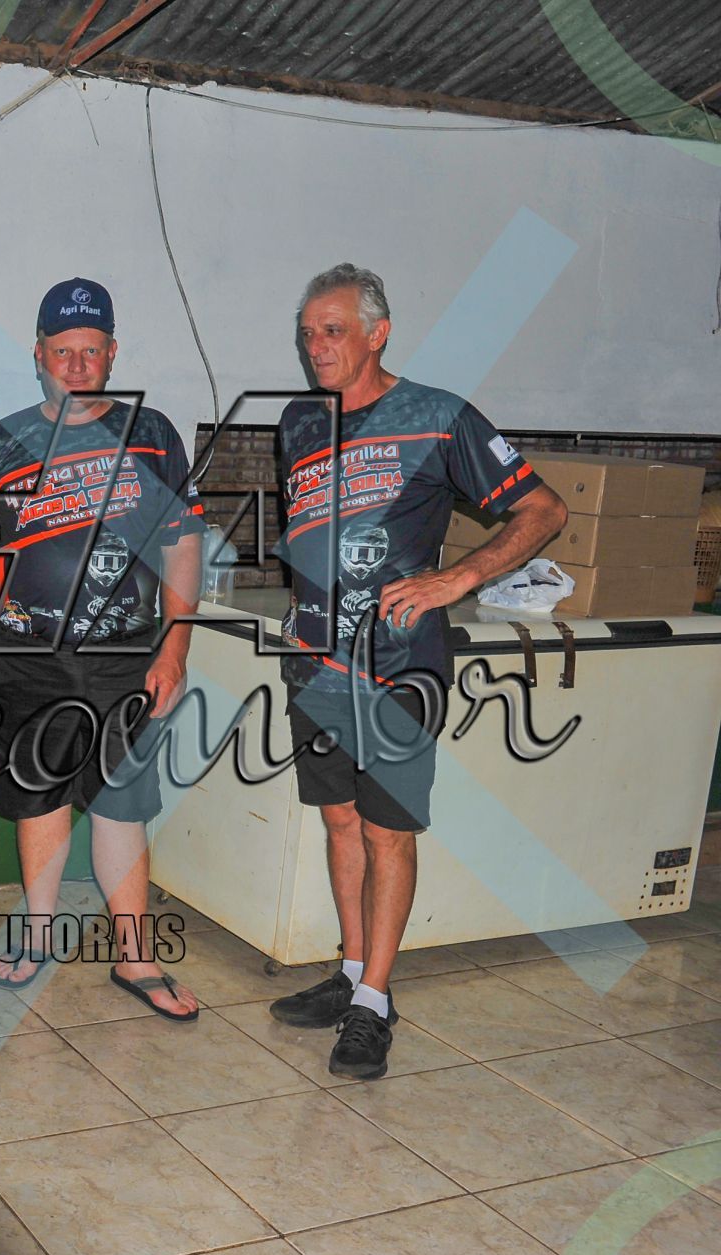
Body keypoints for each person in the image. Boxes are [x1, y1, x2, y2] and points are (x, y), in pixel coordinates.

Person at [269, 263, 566, 1079]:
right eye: (307, 332)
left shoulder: (439, 416)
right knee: (338, 821)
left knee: (386, 832)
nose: (316, 346)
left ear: (378, 332)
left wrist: (458, 577)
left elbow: (544, 508)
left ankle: (374, 1005)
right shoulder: (298, 422)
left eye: (332, 330)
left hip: (399, 668)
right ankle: (352, 972)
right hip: (315, 664)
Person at [0, 279, 204, 1019]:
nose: (76, 365)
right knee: (39, 799)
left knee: (120, 805)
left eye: (91, 351)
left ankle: (135, 957)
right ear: (39, 353)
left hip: (125, 656)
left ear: (111, 353)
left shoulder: (153, 434)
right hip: (26, 654)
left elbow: (182, 546)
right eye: (62, 351)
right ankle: (38, 936)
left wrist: (174, 649)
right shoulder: (1, 440)